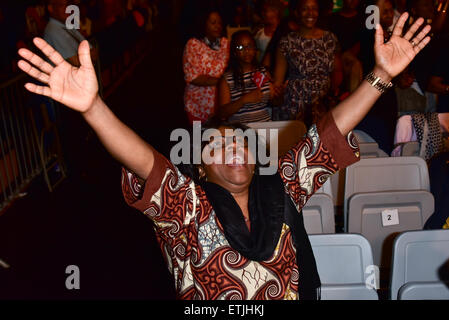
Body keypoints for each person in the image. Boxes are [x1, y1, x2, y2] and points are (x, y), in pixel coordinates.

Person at [17, 12, 431, 300]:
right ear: (200, 166)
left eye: (240, 143)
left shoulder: (283, 187)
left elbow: (330, 131)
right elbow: (144, 160)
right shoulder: (186, 207)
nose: (233, 147)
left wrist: (382, 77)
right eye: (218, 143)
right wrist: (93, 109)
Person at [273, 0, 343, 122]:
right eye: (305, 9)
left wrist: (332, 97)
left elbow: (337, 71)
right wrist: (275, 92)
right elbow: (278, 81)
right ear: (297, 13)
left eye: (314, 9)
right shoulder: (287, 42)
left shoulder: (330, 38)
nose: (310, 13)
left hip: (323, 104)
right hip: (296, 105)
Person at [182, 9, 230, 124]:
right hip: (198, 106)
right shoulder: (193, 44)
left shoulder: (226, 44)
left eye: (219, 23)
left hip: (221, 105)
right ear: (204, 24)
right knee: (200, 140)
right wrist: (222, 82)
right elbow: (193, 77)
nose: (217, 26)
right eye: (213, 23)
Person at [217, 30, 272, 124]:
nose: (246, 51)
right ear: (234, 52)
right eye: (240, 47)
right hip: (242, 131)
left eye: (249, 46)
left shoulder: (263, 72)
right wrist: (243, 100)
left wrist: (279, 95)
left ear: (255, 49)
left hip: (265, 127)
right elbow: (222, 113)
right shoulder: (227, 79)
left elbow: (273, 102)